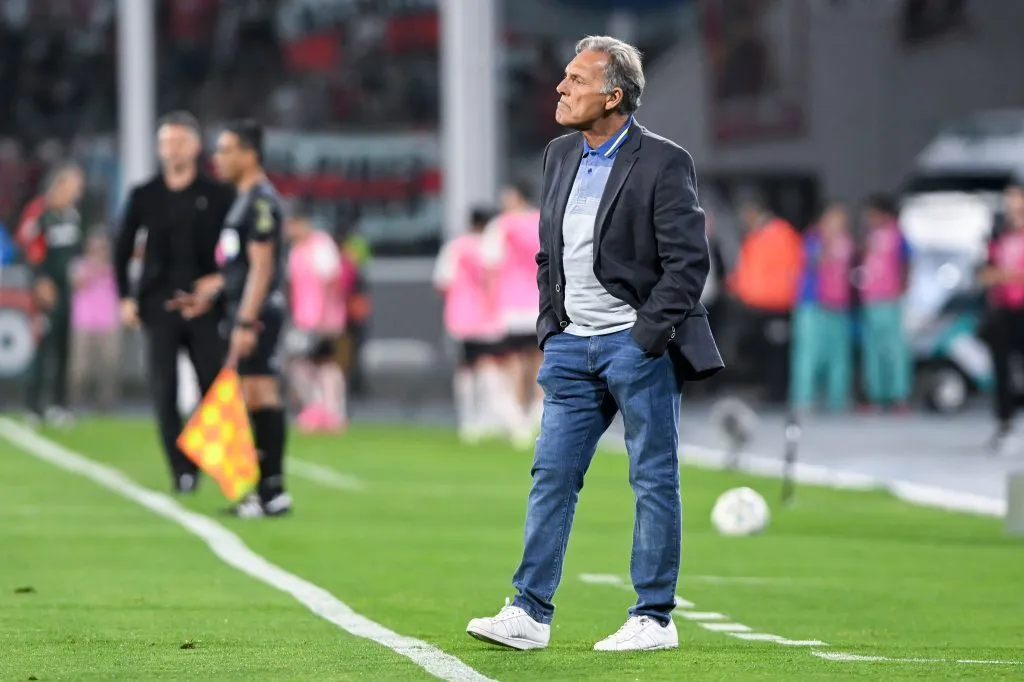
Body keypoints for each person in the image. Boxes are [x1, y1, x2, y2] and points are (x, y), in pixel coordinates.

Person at [466, 36, 722, 652]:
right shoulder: (558, 154)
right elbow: (548, 253)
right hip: (571, 347)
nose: (561, 88)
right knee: (551, 475)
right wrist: (551, 328)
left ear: (613, 96)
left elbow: (688, 263)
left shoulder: (663, 161)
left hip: (635, 346)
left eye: (577, 80)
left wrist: (644, 336)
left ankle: (654, 618)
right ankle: (529, 612)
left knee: (652, 478)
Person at [170, 119, 290, 518]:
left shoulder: (259, 202)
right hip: (243, 308)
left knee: (258, 394)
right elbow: (239, 267)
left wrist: (246, 320)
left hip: (256, 312)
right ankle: (268, 491)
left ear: (248, 155)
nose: (217, 159)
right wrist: (212, 294)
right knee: (253, 393)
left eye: (225, 150)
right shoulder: (243, 200)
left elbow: (262, 266)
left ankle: (268, 492)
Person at [113, 111, 236, 494]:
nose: (172, 149)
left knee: (214, 387)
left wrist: (219, 282)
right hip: (159, 305)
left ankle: (204, 456)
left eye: (180, 141)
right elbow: (122, 246)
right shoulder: (145, 194)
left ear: (196, 147)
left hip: (204, 305)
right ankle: (181, 469)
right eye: (166, 142)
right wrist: (125, 297)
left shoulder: (219, 195)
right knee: (163, 389)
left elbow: (238, 247)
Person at [16, 162, 86, 426]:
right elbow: (26, 245)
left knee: (63, 346)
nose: (77, 192)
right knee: (43, 345)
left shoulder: (72, 215)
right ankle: (33, 406)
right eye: (74, 186)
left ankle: (59, 405)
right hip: (44, 289)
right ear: (60, 184)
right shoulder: (38, 211)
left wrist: (77, 272)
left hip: (65, 287)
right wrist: (39, 280)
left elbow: (75, 250)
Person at [434, 206, 510, 443]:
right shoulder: (495, 247)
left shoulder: (456, 247)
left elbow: (443, 281)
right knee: (492, 365)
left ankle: (467, 419)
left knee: (466, 367)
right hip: (490, 317)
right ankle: (489, 417)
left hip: (461, 317)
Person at [724, 195, 803, 403]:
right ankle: (769, 391)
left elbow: (792, 269)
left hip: (776, 305)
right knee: (764, 351)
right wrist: (736, 286)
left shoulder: (780, 234)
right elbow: (751, 270)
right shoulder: (757, 235)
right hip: (758, 306)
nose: (743, 219)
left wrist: (788, 296)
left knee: (776, 352)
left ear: (755, 212)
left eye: (745, 214)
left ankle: (777, 394)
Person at [482, 181, 543, 446]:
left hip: (512, 305)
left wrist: (490, 303)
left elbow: (490, 266)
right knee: (539, 359)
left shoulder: (502, 226)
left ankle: (519, 415)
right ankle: (538, 412)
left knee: (515, 361)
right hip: (540, 302)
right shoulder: (543, 219)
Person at [285, 215, 349, 434]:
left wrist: (325, 316)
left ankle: (333, 412)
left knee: (325, 363)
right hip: (303, 318)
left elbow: (331, 281)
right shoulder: (296, 250)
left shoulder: (321, 245)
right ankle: (314, 407)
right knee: (300, 365)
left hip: (324, 319)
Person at [790, 204, 855, 414]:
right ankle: (804, 398)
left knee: (838, 355)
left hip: (838, 306)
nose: (838, 224)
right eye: (834, 219)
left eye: (842, 221)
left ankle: (837, 399)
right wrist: (826, 243)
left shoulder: (846, 242)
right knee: (809, 354)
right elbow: (812, 263)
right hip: (812, 304)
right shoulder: (812, 239)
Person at [979, 184, 1024, 453]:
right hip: (1003, 310)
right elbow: (986, 274)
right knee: (1002, 369)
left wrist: (1005, 275)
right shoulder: (998, 235)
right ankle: (1005, 423)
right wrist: (1004, 276)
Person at [858, 194, 912, 413]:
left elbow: (907, 261)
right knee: (872, 350)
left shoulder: (897, 234)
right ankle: (875, 395)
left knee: (894, 349)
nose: (868, 218)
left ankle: (899, 395)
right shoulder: (869, 235)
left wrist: (902, 286)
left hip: (890, 300)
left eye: (872, 213)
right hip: (870, 299)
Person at [69, 229, 121, 412]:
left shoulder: (114, 267)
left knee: (109, 367)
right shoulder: (79, 265)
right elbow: (77, 284)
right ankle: (74, 403)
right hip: (84, 322)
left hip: (108, 322)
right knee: (79, 368)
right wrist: (94, 270)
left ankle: (105, 406)